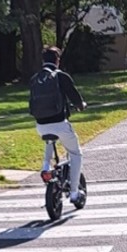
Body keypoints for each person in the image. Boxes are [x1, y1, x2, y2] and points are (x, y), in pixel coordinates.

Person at [29, 46, 86, 204]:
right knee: (75, 154)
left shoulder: (35, 78)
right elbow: (74, 97)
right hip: (60, 123)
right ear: (57, 60)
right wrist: (81, 105)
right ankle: (74, 193)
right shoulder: (61, 76)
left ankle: (45, 167)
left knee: (49, 140)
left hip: (40, 126)